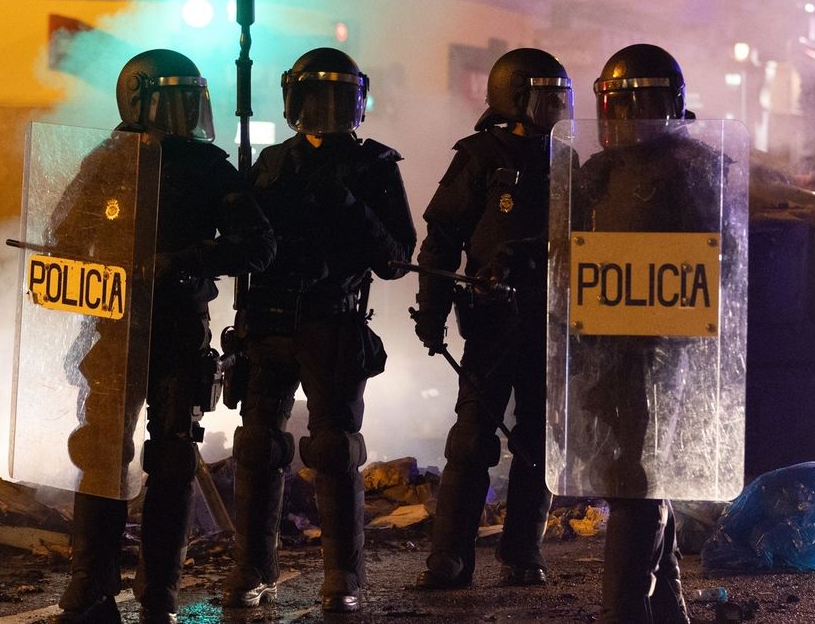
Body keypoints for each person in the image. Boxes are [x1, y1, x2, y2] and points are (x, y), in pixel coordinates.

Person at [53, 48, 276, 624]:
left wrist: (186, 258)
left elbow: (257, 244)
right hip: (114, 324)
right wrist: (101, 260)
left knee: (173, 458)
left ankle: (160, 592)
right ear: (137, 99)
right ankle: (89, 583)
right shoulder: (108, 160)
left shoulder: (209, 166)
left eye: (188, 99)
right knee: (102, 454)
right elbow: (64, 233)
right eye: (170, 100)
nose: (182, 112)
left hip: (180, 325)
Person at [224, 47, 416, 614]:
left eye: (339, 98)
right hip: (268, 318)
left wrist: (350, 206)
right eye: (317, 97)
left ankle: (342, 577)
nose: (327, 110)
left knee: (333, 448)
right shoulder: (271, 162)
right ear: (295, 100)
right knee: (257, 445)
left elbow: (397, 258)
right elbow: (246, 244)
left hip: (332, 320)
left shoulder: (374, 165)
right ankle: (253, 568)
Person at [410, 48, 574, 590]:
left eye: (560, 96)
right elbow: (441, 242)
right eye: (543, 96)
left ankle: (524, 552)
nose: (554, 106)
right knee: (473, 438)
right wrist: (431, 310)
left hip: (553, 321)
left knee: (540, 439)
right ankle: (450, 559)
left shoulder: (568, 158)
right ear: (514, 97)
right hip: (491, 320)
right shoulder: (482, 155)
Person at [574, 43, 709, 624]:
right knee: (641, 475)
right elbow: (568, 253)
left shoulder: (695, 169)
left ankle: (624, 610)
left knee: (639, 480)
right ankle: (665, 603)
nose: (631, 118)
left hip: (666, 349)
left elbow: (717, 260)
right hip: (607, 346)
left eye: (643, 104)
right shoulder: (595, 173)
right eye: (621, 106)